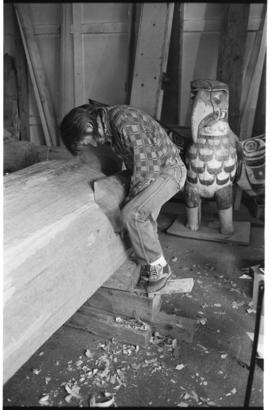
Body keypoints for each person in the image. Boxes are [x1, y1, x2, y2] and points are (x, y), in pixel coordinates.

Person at [60, 103, 187, 292]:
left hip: (169, 171)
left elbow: (147, 168)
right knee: (140, 213)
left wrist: (127, 205)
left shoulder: (123, 122)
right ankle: (150, 259)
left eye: (87, 142)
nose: (93, 145)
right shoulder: (112, 124)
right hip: (160, 170)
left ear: (89, 127)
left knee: (133, 214)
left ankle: (159, 269)